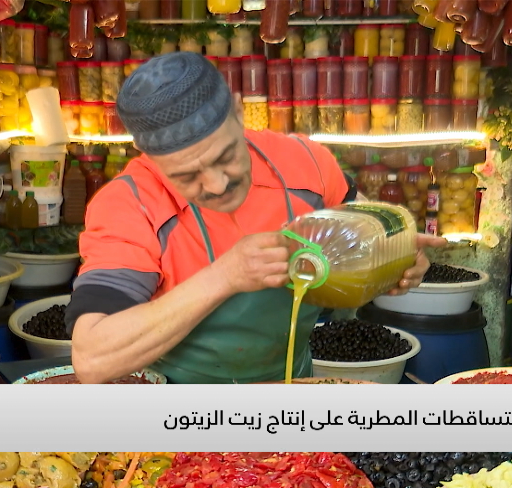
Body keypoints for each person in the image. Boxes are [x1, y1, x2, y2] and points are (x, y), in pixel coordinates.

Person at [64, 52, 446, 384]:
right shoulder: (129, 205)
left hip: (292, 394)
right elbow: (93, 358)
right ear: (147, 156)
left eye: (226, 156)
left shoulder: (306, 163)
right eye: (186, 176)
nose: (216, 185)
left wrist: (395, 261)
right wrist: (224, 277)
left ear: (239, 111)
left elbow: (363, 236)